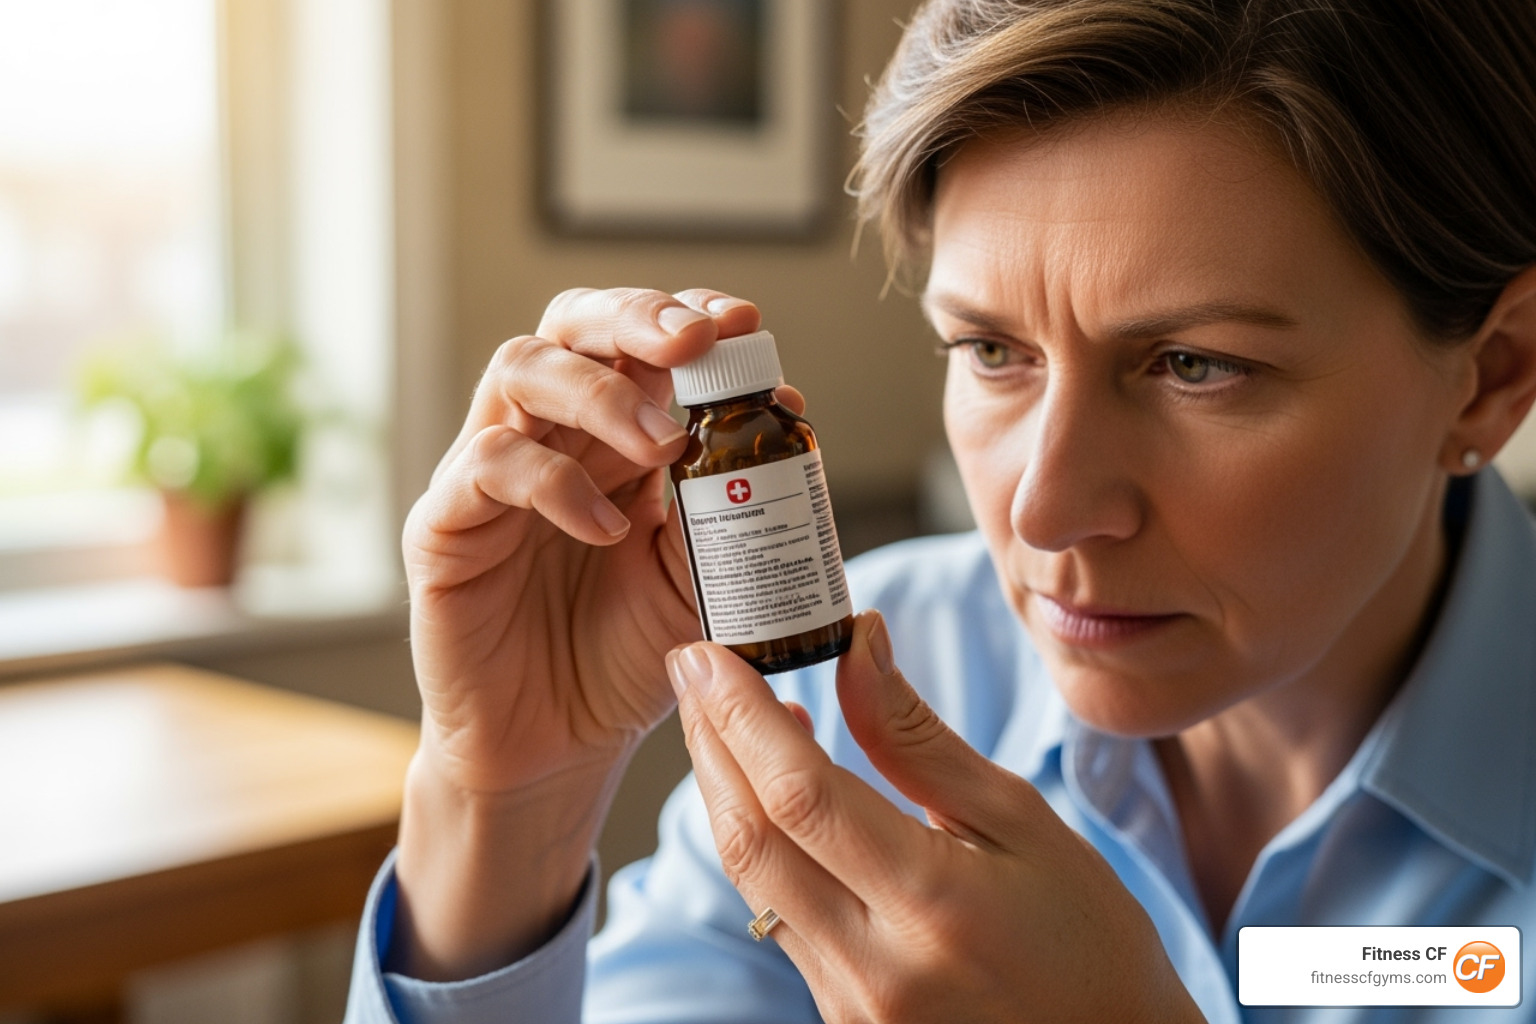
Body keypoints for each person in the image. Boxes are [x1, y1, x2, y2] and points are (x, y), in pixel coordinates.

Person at [345, 0, 1536, 1020]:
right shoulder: (853, 676)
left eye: (1196, 365)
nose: (1045, 510)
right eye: (992, 350)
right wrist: (507, 808)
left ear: (1491, 376)